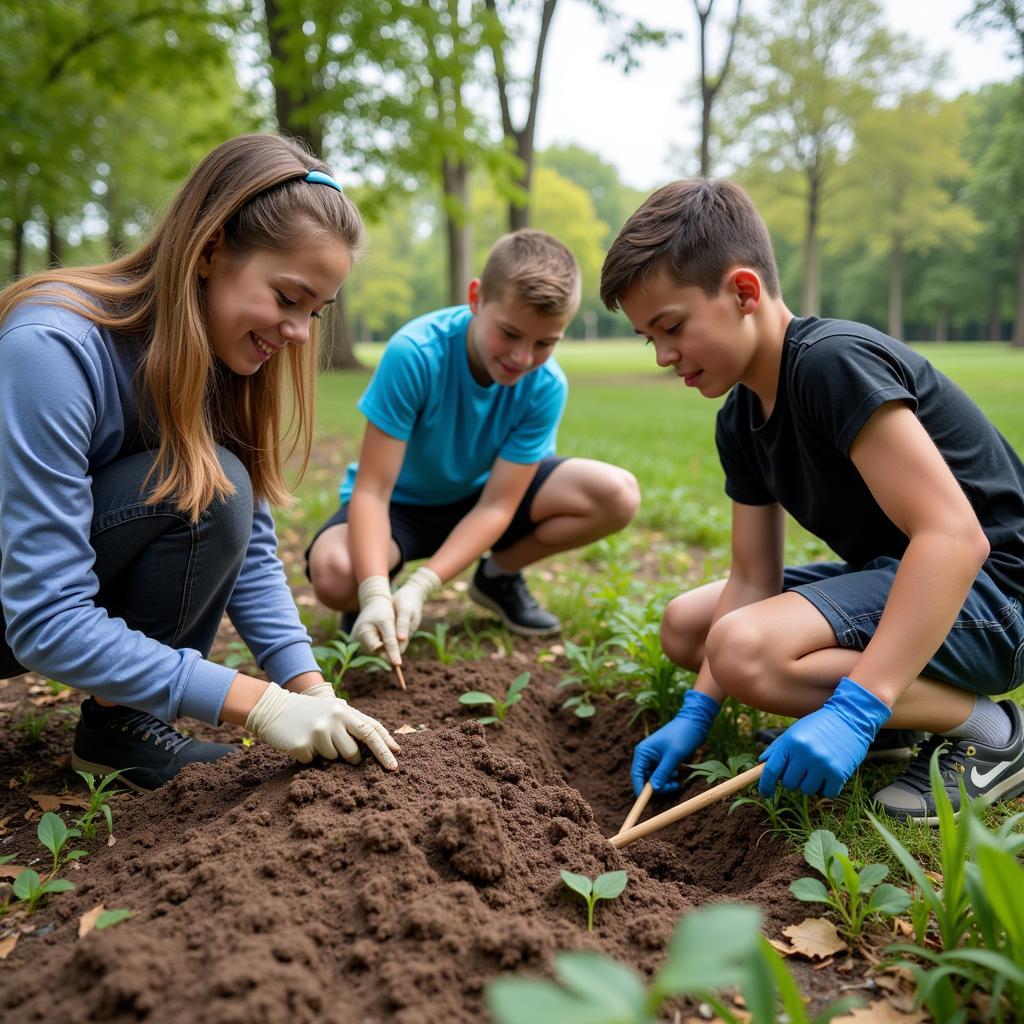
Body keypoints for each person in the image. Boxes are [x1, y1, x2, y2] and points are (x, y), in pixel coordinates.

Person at [600, 179, 1024, 823]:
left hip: (999, 598)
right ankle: (900, 722)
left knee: (745, 649)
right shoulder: (739, 418)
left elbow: (955, 538)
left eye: (672, 327)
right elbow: (751, 578)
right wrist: (697, 711)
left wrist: (855, 706)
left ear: (744, 292)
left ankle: (992, 734)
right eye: (647, 338)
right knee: (692, 627)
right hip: (907, 581)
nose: (663, 356)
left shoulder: (831, 362)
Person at [0, 134, 400, 792]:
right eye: (288, 297)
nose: (300, 332)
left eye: (316, 311)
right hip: (18, 606)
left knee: (219, 489)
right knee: (212, 486)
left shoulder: (221, 359)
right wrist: (262, 705)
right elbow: (44, 616)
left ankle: (118, 726)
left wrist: (312, 689)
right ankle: (123, 718)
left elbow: (249, 544)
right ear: (212, 249)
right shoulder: (53, 348)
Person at [308, 229, 640, 665]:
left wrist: (423, 585)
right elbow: (372, 491)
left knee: (617, 493)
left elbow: (497, 507)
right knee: (335, 574)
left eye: (545, 343)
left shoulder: (545, 385)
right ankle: (373, 599)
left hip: (484, 498)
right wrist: (373, 589)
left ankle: (498, 577)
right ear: (477, 298)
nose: (523, 358)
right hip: (401, 508)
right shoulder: (415, 353)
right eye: (510, 333)